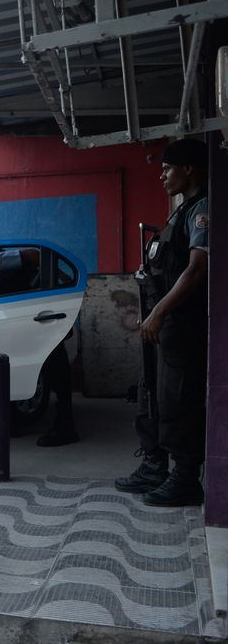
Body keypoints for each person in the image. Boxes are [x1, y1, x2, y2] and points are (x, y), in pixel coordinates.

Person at [115, 137, 209, 507]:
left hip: (181, 323)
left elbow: (197, 268)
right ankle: (156, 465)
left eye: (168, 168)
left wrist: (159, 311)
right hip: (163, 323)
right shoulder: (180, 210)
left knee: (178, 399)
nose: (162, 176)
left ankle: (185, 478)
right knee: (152, 394)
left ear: (188, 168)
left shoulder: (201, 209)